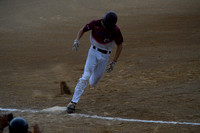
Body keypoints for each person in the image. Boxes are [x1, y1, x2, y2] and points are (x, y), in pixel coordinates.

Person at [67, 11, 124, 113]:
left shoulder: (115, 30)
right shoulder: (95, 23)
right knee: (85, 76)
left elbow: (120, 44)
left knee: (93, 83)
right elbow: (83, 30)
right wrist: (77, 40)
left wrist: (114, 61)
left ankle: (89, 76)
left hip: (106, 56)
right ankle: (73, 102)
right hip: (93, 52)